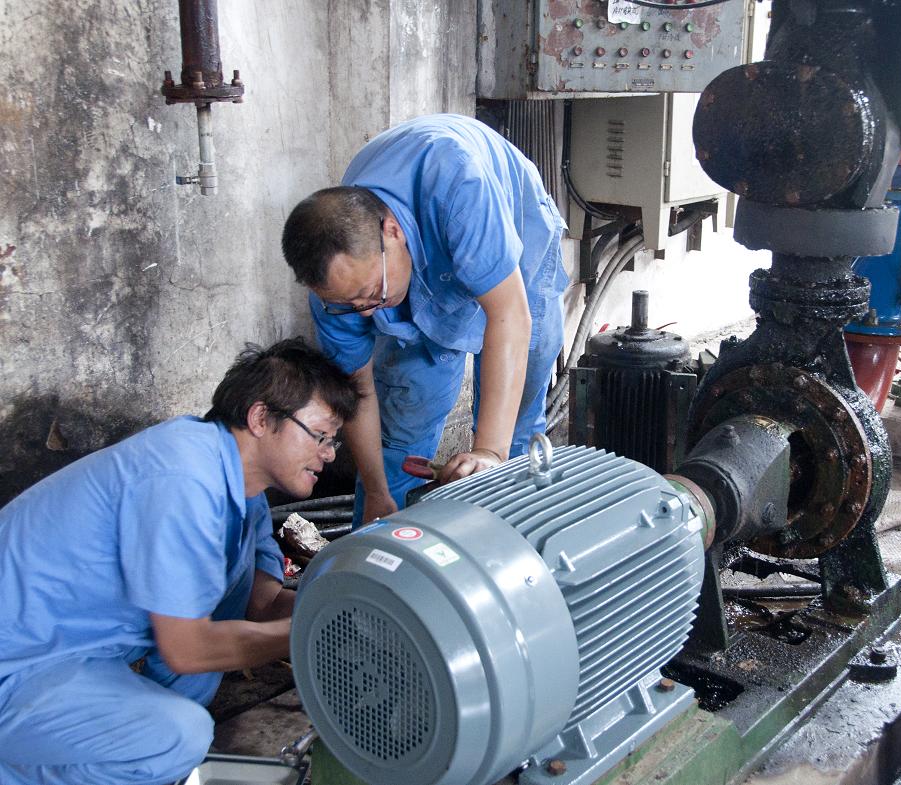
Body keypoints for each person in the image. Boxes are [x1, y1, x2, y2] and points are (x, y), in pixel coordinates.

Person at [0, 338, 361, 785]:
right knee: (175, 737)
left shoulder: (241, 493)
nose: (329, 453)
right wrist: (315, 630)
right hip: (18, 665)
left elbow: (262, 605)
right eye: (321, 435)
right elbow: (188, 649)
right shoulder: (183, 477)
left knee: (219, 620)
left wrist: (356, 612)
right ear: (260, 418)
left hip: (72, 657)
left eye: (333, 441)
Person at [281, 113, 569, 523]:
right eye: (352, 304)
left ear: (392, 231)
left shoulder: (459, 185)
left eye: (372, 293)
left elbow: (509, 315)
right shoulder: (337, 295)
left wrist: (490, 451)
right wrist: (378, 493)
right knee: (405, 425)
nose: (367, 311)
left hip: (516, 246)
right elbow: (358, 390)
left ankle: (515, 537)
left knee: (518, 415)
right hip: (421, 261)